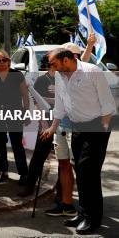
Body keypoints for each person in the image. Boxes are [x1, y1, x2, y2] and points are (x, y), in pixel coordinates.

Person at [41, 48, 116, 234]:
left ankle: (93, 219)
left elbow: (108, 104)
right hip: (77, 127)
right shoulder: (60, 76)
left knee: (89, 172)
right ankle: (82, 214)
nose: (53, 68)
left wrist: (102, 129)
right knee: (81, 171)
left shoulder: (92, 71)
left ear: (66, 60)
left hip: (96, 126)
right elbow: (60, 104)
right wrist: (52, 127)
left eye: (54, 64)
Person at [16, 54, 77, 216]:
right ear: (51, 65)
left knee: (63, 161)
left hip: (63, 124)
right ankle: (30, 185)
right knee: (39, 156)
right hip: (46, 124)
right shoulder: (43, 80)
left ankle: (61, 192)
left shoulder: (65, 78)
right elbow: (38, 103)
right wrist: (43, 124)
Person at [0, 50, 30, 184]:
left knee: (17, 144)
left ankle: (23, 173)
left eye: (4, 60)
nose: (2, 63)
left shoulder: (17, 75)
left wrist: (26, 112)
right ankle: (3, 171)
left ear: (9, 61)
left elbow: (24, 94)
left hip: (15, 113)